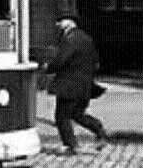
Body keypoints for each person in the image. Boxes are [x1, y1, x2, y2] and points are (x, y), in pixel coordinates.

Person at [42, 11, 108, 156]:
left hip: (69, 85)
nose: (57, 24)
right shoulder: (86, 38)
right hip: (84, 85)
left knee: (62, 116)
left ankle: (70, 145)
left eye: (60, 21)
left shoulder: (71, 38)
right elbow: (95, 61)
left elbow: (61, 59)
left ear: (70, 22)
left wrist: (48, 68)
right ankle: (98, 129)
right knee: (77, 114)